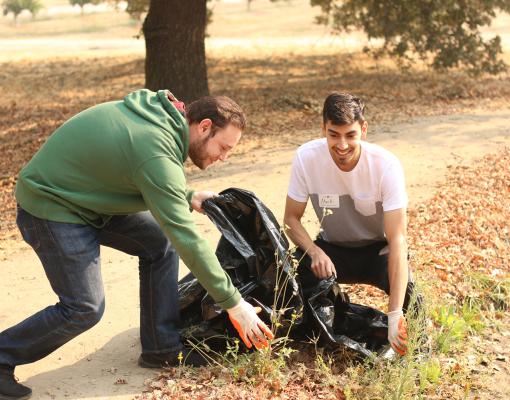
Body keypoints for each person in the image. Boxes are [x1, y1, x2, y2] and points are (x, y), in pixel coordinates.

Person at [0, 89, 274, 400]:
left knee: (159, 244)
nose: (223, 157)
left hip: (88, 199)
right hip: (52, 207)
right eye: (223, 147)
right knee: (83, 308)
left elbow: (138, 169)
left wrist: (186, 195)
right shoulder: (156, 150)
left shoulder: (164, 121)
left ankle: (161, 348)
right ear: (204, 126)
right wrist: (234, 304)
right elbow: (187, 236)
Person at [284, 92, 416, 356]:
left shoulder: (386, 165)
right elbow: (290, 219)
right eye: (333, 135)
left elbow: (398, 240)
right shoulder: (306, 158)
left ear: (363, 130)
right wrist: (315, 251)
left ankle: (404, 343)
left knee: (410, 296)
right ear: (324, 129)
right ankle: (315, 338)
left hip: (377, 250)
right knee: (293, 279)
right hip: (332, 250)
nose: (341, 145)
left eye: (350, 135)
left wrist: (394, 315)